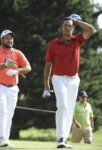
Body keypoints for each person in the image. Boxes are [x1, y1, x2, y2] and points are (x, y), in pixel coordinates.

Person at [43, 14, 96, 148]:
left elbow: (91, 30)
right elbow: (48, 64)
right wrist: (46, 83)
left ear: (73, 28)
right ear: (61, 27)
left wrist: (77, 21)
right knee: (63, 106)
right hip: (59, 78)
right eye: (65, 25)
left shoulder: (77, 40)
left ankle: (64, 139)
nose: (67, 28)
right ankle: (60, 137)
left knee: (69, 109)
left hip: (74, 80)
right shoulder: (53, 44)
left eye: (70, 26)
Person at [0, 30, 31, 147]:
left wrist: (17, 70)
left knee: (10, 113)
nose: (9, 40)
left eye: (11, 38)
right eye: (7, 38)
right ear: (1, 40)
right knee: (2, 111)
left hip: (13, 87)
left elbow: (28, 67)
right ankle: (2, 137)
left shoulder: (17, 53)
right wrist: (5, 65)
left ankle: (5, 139)